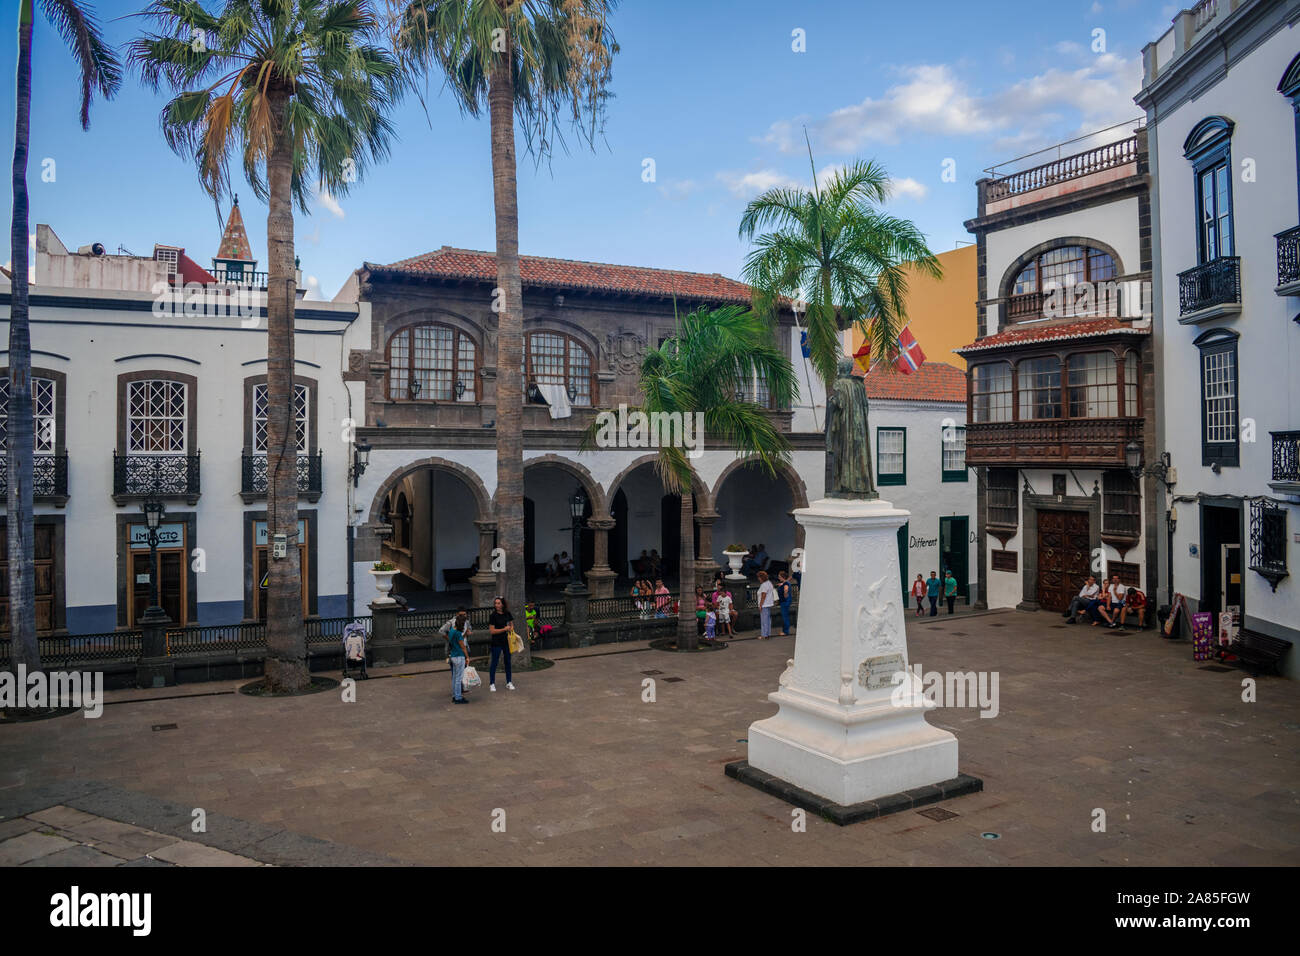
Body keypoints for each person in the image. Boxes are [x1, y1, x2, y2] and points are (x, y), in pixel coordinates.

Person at [487, 596, 515, 692]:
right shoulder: (493, 616)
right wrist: (504, 629)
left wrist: (510, 628)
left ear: (503, 604)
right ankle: (492, 683)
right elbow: (492, 631)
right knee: (494, 662)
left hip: (507, 641)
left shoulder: (507, 613)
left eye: (498, 603)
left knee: (508, 662)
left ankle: (509, 682)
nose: (497, 605)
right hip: (496, 642)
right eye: (495, 603)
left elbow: (511, 625)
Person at [446, 611, 470, 704]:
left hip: (453, 655)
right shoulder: (458, 633)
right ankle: (458, 697)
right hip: (459, 656)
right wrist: (467, 657)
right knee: (459, 678)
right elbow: (463, 646)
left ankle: (455, 695)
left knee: (455, 677)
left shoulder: (452, 631)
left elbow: (455, 641)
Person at [757, 570, 775, 639]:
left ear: (761, 578)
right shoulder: (769, 583)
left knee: (764, 620)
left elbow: (763, 595)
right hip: (769, 604)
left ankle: (764, 635)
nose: (758, 579)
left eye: (759, 577)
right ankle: (767, 634)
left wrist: (760, 605)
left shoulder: (764, 585)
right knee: (768, 620)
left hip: (764, 605)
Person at [776, 569, 794, 636]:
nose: (778, 578)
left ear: (782, 577)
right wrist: (781, 584)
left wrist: (785, 595)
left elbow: (786, 589)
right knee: (785, 616)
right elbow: (785, 584)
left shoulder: (786, 584)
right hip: (785, 601)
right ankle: (785, 630)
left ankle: (786, 631)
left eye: (779, 576)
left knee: (785, 617)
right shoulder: (785, 583)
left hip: (785, 602)